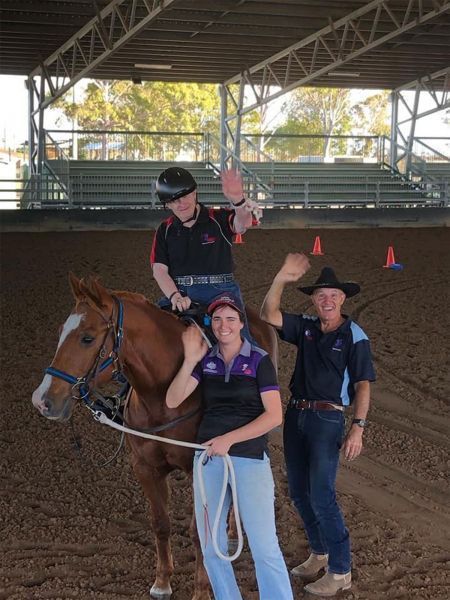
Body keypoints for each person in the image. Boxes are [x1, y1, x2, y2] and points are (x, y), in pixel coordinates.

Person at [260, 254, 376, 597]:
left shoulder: (355, 335)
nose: (327, 300)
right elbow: (269, 314)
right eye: (321, 295)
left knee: (322, 495)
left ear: (343, 299)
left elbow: (363, 385)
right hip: (295, 414)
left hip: (328, 418)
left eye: (333, 295)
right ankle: (319, 552)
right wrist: (281, 277)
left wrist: (358, 426)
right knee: (298, 490)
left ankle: (341, 570)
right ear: (313, 299)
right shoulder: (307, 327)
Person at [166, 292, 294, 600]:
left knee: (264, 547)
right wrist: (190, 361)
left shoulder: (259, 360)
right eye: (218, 319)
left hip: (248, 459)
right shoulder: (206, 361)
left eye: (231, 319)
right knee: (211, 547)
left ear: (240, 324)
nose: (224, 326)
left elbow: (274, 416)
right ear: (212, 324)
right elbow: (172, 400)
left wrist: (229, 439)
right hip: (208, 460)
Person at [150, 166, 253, 315]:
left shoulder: (218, 218)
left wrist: (238, 200)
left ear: (194, 193)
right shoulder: (164, 230)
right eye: (174, 200)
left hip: (220, 292)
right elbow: (159, 270)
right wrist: (175, 296)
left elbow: (243, 224)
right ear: (167, 204)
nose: (181, 203)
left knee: (231, 330)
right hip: (180, 293)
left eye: (185, 196)